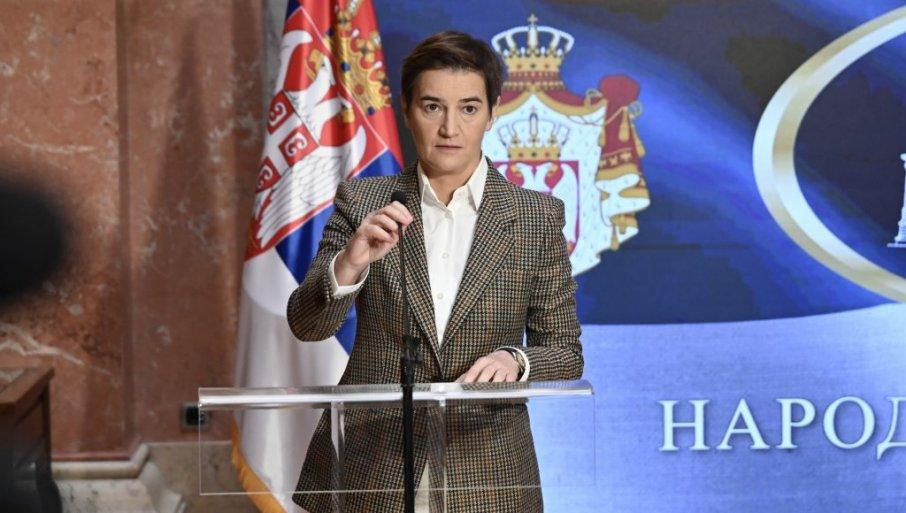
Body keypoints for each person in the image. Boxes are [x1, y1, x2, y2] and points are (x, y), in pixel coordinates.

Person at [287, 30, 583, 513]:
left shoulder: (536, 217)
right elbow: (307, 325)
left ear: (492, 113)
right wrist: (351, 262)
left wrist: (516, 360)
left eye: (468, 108)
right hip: (372, 466)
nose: (450, 127)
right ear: (407, 111)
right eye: (432, 107)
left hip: (487, 475)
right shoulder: (363, 202)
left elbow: (566, 352)